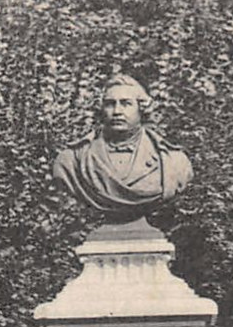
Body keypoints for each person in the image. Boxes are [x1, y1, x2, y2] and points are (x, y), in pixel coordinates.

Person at [51, 75, 192, 221]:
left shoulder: (173, 162)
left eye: (126, 104)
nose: (117, 111)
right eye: (110, 104)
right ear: (101, 108)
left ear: (141, 108)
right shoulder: (71, 161)